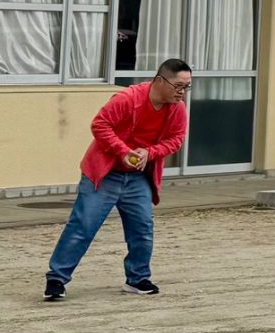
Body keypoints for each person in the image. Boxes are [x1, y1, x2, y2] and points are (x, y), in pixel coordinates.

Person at [44, 59, 192, 301]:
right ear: (159, 80)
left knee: (142, 229)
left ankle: (137, 278)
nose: (182, 92)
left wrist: (149, 153)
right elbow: (100, 125)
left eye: (187, 87)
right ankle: (57, 279)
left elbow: (176, 139)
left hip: (137, 178)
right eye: (178, 86)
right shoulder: (128, 99)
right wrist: (123, 151)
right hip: (105, 173)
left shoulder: (177, 109)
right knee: (83, 226)